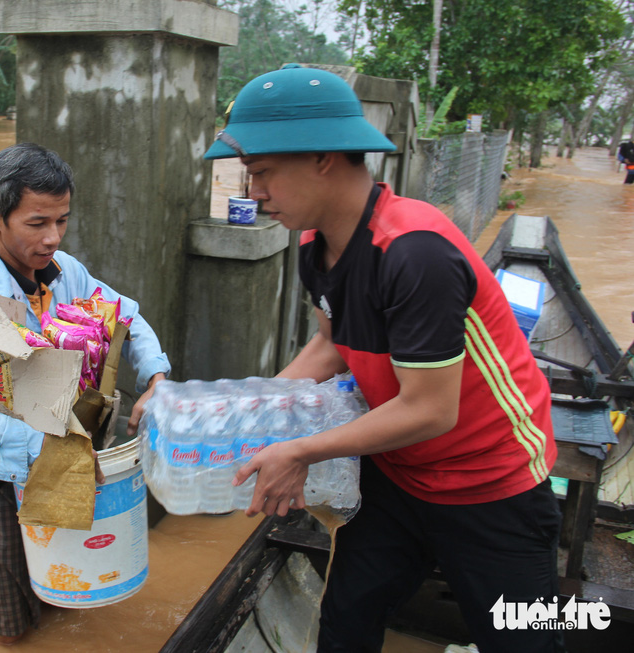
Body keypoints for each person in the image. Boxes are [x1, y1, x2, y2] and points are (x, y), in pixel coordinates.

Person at [206, 65, 562, 653]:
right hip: (398, 473)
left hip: (492, 484)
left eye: (263, 172)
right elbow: (329, 347)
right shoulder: (312, 243)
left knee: (525, 641)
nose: (254, 191)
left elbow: (429, 409)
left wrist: (299, 448)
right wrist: (248, 411)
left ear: (323, 157)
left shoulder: (414, 252)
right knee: (347, 619)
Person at [0, 143, 170, 645]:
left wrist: (156, 379)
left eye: (62, 220)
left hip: (73, 463)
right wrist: (38, 450)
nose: (52, 237)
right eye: (37, 223)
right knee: (8, 621)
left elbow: (127, 317)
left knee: (70, 592)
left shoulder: (66, 274)